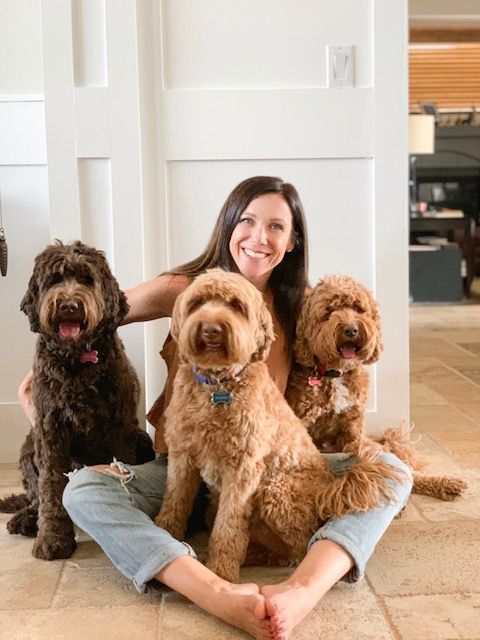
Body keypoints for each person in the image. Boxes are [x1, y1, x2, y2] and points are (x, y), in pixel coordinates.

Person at [18, 176, 412, 640]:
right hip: (178, 462)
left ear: (292, 241)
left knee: (392, 470)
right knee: (82, 490)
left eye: (276, 226)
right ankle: (212, 591)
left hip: (266, 459)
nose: (259, 237)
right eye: (247, 221)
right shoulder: (181, 288)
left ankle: (304, 586)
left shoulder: (303, 306)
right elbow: (97, 311)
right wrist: (51, 393)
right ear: (228, 225)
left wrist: (333, 435)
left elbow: (345, 369)